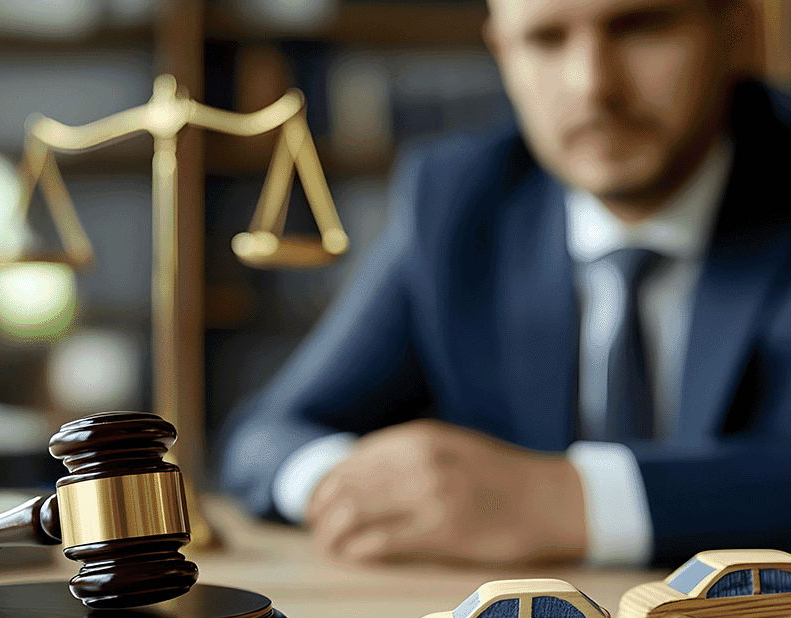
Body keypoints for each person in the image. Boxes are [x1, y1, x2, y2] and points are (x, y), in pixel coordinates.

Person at [218, 0, 791, 569]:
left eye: (640, 27)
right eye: (545, 39)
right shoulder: (457, 201)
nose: (592, 85)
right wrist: (353, 486)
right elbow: (264, 435)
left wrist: (563, 502)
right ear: (503, 53)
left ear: (735, 29)